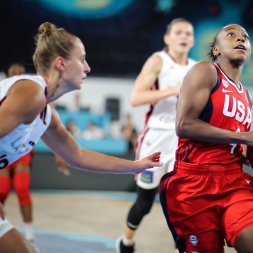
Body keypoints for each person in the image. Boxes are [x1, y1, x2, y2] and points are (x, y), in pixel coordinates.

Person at [0, 22, 162, 253]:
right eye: (82, 59)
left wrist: (135, 166)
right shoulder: (31, 93)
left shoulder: (47, 114)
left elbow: (78, 156)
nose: (87, 67)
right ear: (61, 63)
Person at [159, 24, 253, 253]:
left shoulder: (247, 95)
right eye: (231, 35)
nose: (240, 39)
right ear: (216, 49)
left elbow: (235, 143)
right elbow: (184, 125)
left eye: (245, 37)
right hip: (194, 183)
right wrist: (246, 137)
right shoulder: (205, 71)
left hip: (233, 182)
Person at [116, 18, 196, 253]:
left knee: (181, 203)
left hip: (182, 140)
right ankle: (126, 241)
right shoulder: (158, 61)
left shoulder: (197, 67)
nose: (183, 37)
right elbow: (136, 97)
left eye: (188, 33)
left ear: (192, 40)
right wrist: (173, 90)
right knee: (145, 203)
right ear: (167, 38)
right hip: (156, 139)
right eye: (178, 32)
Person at [0, 63, 38, 247]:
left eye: (19, 74)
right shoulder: (2, 92)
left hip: (21, 149)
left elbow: (47, 125)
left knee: (22, 187)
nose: (16, 75)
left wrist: (59, 154)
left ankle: (29, 233)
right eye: (12, 73)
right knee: (2, 189)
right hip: (3, 150)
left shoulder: (32, 93)